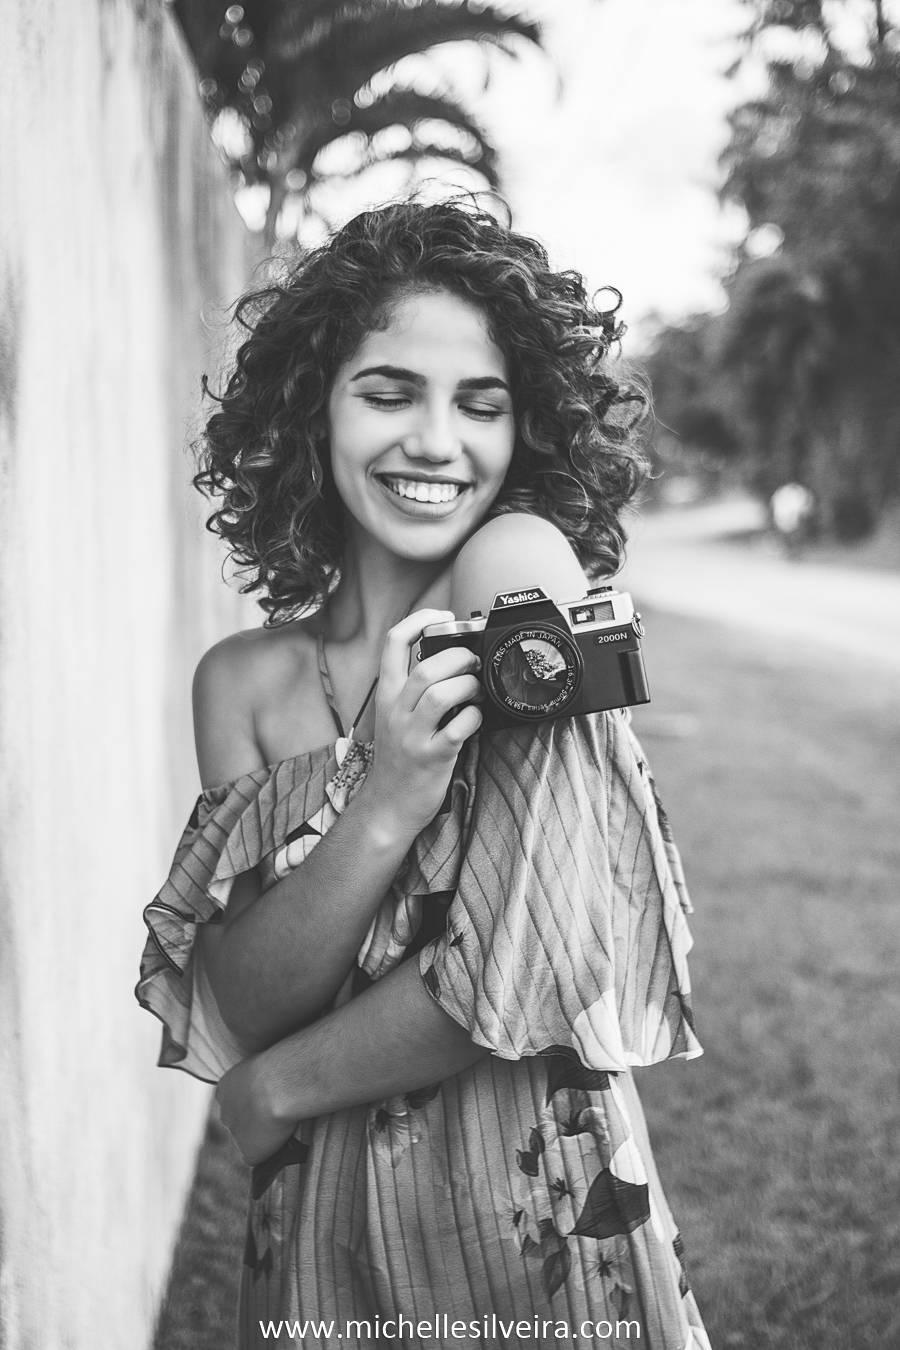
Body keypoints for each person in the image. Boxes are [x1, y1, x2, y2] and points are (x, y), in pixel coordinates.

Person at [138, 200, 710, 1349]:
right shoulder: (243, 681)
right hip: (312, 1248)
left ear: (524, 428)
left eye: (481, 404)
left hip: (531, 1230)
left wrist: (277, 1093)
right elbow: (247, 999)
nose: (438, 443)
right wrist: (391, 789)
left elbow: (545, 954)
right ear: (312, 410)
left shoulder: (516, 573)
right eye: (390, 392)